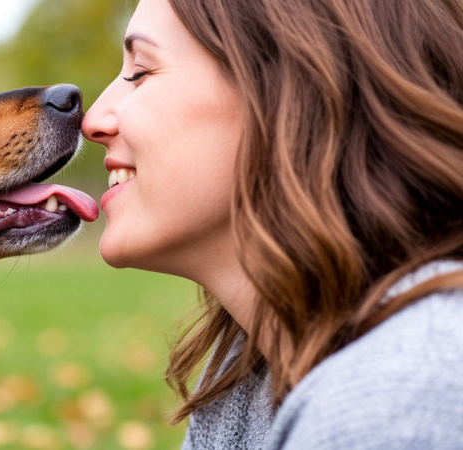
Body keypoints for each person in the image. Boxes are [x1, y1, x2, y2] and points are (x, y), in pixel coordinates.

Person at [81, 0, 463, 448]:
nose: (93, 121)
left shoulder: (401, 396)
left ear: (293, 93)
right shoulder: (247, 378)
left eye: (141, 72)